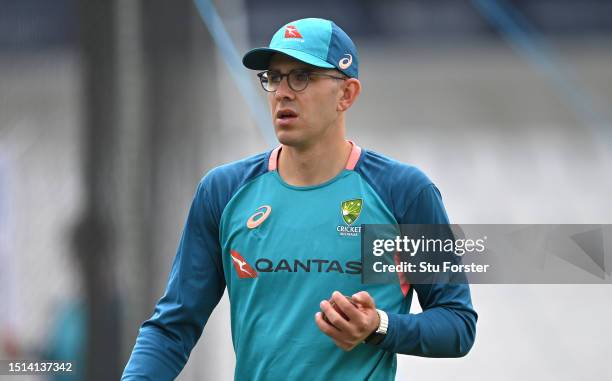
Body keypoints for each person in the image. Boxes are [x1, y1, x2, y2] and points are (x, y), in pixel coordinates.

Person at [122, 17, 477, 381]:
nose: (282, 92)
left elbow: (457, 323)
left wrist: (379, 326)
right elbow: (173, 327)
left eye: (302, 76)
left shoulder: (403, 192)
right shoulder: (223, 192)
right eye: (274, 77)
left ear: (347, 94)